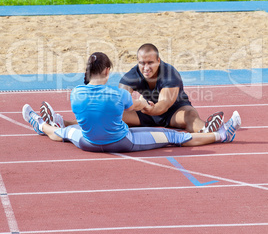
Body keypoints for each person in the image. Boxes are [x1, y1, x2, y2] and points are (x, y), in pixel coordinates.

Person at [22, 52, 241, 153]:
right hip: (121, 141)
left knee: (60, 133)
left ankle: (40, 124)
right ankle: (223, 134)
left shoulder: (76, 93)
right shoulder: (119, 95)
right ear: (108, 71)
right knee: (174, 137)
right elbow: (135, 105)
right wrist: (145, 104)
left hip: (87, 144)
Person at [119, 43, 226, 133]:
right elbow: (119, 99)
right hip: (146, 114)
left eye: (150, 63)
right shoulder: (131, 76)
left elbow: (164, 105)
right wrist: (135, 104)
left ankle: (212, 132)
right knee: (115, 114)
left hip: (174, 112)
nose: (146, 68)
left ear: (158, 61)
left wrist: (150, 109)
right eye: (142, 63)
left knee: (190, 115)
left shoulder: (170, 74)